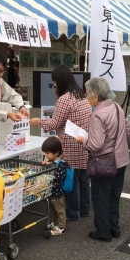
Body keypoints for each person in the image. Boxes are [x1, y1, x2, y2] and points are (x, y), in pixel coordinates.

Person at [30, 65, 92, 221]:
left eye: (55, 81)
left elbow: (55, 123)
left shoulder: (65, 99)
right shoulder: (82, 95)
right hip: (84, 142)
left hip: (70, 144)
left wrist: (38, 121)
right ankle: (85, 210)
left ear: (60, 81)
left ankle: (73, 213)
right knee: (83, 179)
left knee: (72, 180)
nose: (54, 84)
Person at [76, 77, 130, 242]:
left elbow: (96, 144)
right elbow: (127, 131)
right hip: (121, 160)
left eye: (87, 95)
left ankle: (103, 232)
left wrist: (82, 141)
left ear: (95, 96)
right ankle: (114, 227)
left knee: (101, 198)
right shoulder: (116, 107)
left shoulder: (97, 114)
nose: (86, 98)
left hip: (104, 162)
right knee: (114, 196)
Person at [42, 137, 67, 236]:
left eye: (48, 153)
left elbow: (60, 176)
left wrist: (49, 174)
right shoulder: (53, 163)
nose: (46, 155)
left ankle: (61, 227)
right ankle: (55, 223)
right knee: (52, 208)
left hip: (58, 192)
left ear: (56, 153)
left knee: (60, 210)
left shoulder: (60, 164)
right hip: (52, 191)